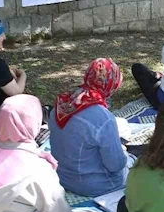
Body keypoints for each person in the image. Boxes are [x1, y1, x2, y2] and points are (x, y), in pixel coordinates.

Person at [49, 58, 135, 197]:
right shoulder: (104, 118)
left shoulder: (62, 103)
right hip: (94, 186)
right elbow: (115, 165)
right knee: (131, 160)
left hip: (62, 176)